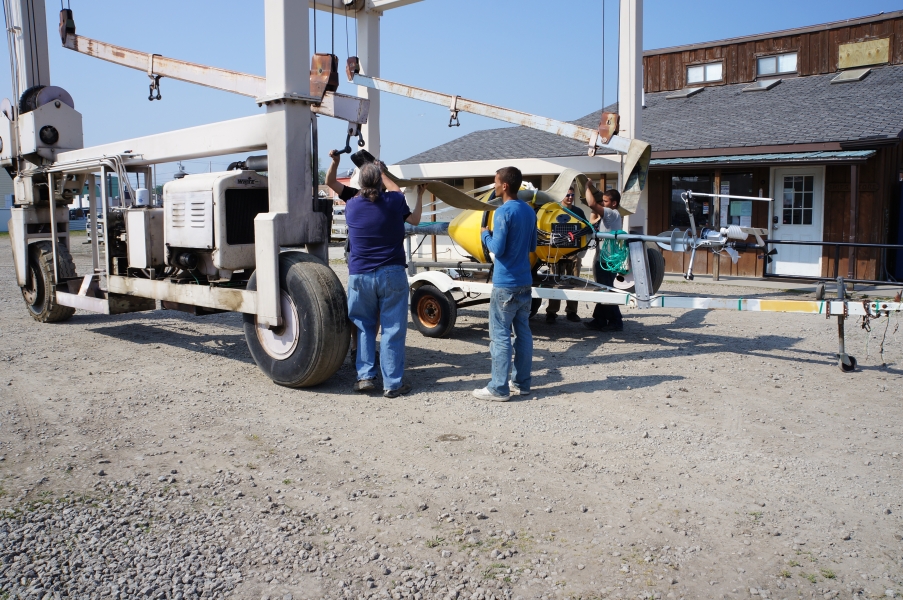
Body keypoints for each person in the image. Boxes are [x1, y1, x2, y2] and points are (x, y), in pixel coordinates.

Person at [345, 162, 424, 398]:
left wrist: (373, 175)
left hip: (359, 275)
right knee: (392, 329)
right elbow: (398, 191)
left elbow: (376, 191)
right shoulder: (394, 201)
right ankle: (392, 384)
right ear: (380, 181)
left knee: (363, 327)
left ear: (360, 184)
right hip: (391, 273)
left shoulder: (351, 207)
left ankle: (365, 377)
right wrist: (382, 172)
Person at [473, 166, 537, 402]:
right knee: (524, 334)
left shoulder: (502, 212)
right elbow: (531, 247)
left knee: (499, 335)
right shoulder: (530, 212)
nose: (494, 186)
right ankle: (522, 383)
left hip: (505, 284)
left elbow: (497, 248)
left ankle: (498, 388)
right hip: (524, 282)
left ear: (505, 186)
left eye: (495, 182)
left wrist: (485, 234)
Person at [584, 182, 625, 332]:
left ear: (614, 203)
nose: (603, 204)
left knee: (606, 290)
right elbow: (592, 218)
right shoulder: (611, 215)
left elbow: (591, 204)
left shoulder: (612, 213)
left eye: (606, 201)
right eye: (602, 201)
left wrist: (587, 187)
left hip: (606, 259)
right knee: (602, 288)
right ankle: (599, 319)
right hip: (605, 257)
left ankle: (616, 321)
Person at [545, 186, 588, 324]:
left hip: (574, 252)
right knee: (555, 282)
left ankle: (572, 312)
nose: (570, 197)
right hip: (556, 251)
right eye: (567, 195)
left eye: (572, 195)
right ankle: (551, 312)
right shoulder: (554, 209)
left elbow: (587, 227)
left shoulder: (578, 211)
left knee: (574, 282)